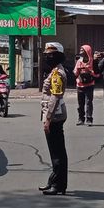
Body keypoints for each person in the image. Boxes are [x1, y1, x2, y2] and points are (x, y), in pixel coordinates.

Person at [39, 42, 68, 196]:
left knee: (57, 153)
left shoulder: (57, 73)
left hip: (55, 115)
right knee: (56, 151)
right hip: (55, 114)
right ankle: (54, 181)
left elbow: (55, 97)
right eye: (47, 54)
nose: (48, 57)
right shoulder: (55, 71)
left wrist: (48, 119)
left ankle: (58, 184)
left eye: (51, 54)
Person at [73, 44, 99, 126]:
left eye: (82, 50)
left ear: (87, 51)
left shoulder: (92, 61)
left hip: (89, 85)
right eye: (80, 50)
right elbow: (75, 73)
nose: (80, 52)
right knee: (80, 103)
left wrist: (89, 71)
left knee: (89, 102)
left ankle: (89, 119)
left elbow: (97, 75)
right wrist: (77, 70)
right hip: (80, 85)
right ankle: (81, 119)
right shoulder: (79, 61)